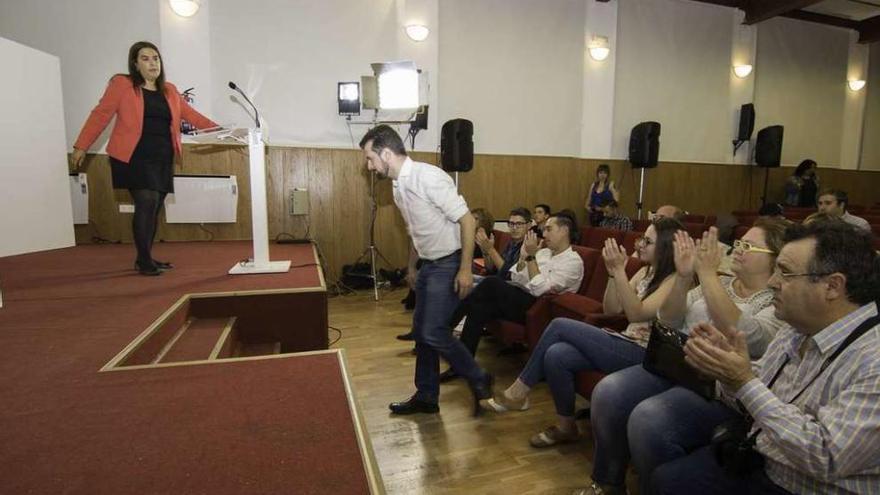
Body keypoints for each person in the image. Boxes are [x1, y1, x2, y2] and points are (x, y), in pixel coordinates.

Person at [648, 222, 880, 495]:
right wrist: (721, 367)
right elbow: (757, 391)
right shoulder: (796, 330)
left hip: (811, 486)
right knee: (666, 480)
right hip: (765, 462)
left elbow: (826, 456)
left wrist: (743, 380)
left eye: (786, 273)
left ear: (832, 286)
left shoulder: (872, 358)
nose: (772, 283)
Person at [578, 219, 789, 495]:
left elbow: (750, 335)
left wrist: (709, 275)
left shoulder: (776, 300)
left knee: (648, 419)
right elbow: (671, 319)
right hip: (677, 365)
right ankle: (608, 482)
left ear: (775, 259)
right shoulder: (723, 282)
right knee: (609, 391)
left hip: (715, 385)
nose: (738, 249)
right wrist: (683, 276)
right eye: (738, 243)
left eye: (748, 246)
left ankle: (652, 487)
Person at [486, 218, 684, 447]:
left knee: (560, 325)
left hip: (645, 353)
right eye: (641, 238)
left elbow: (637, 314)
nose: (639, 244)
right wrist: (612, 274)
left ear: (666, 247)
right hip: (625, 340)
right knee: (557, 354)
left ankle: (519, 391)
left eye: (647, 241)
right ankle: (566, 426)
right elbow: (612, 309)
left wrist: (619, 271)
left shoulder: (674, 280)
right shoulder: (645, 272)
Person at [359, 124, 492, 416]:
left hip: (449, 262)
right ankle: (427, 396)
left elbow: (468, 222)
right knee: (422, 332)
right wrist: (412, 266)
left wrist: (466, 269)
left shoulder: (428, 177)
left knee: (433, 331)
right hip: (430, 265)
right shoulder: (397, 188)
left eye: (370, 159)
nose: (369, 166)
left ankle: (479, 376)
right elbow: (417, 231)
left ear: (386, 153)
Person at [71, 41, 218, 276]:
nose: (152, 63)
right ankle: (144, 260)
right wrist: (81, 145)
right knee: (146, 202)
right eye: (146, 58)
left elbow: (192, 116)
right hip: (133, 155)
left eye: (156, 58)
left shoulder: (169, 90)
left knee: (155, 206)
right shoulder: (123, 84)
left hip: (162, 155)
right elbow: (101, 114)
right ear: (135, 64)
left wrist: (222, 131)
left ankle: (146, 256)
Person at [439, 213, 584, 381]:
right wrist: (524, 257)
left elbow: (540, 290)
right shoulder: (543, 253)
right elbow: (515, 276)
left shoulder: (573, 262)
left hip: (541, 311)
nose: (544, 234)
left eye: (549, 230)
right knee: (479, 306)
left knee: (491, 283)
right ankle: (461, 365)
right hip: (523, 298)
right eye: (544, 230)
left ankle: (445, 329)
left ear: (564, 231)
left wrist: (530, 257)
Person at [477, 207, 531, 280]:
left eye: (519, 224)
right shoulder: (511, 242)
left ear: (529, 225)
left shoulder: (530, 246)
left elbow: (509, 275)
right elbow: (490, 269)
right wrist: (485, 252)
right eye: (511, 223)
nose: (514, 228)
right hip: (496, 280)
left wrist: (491, 249)